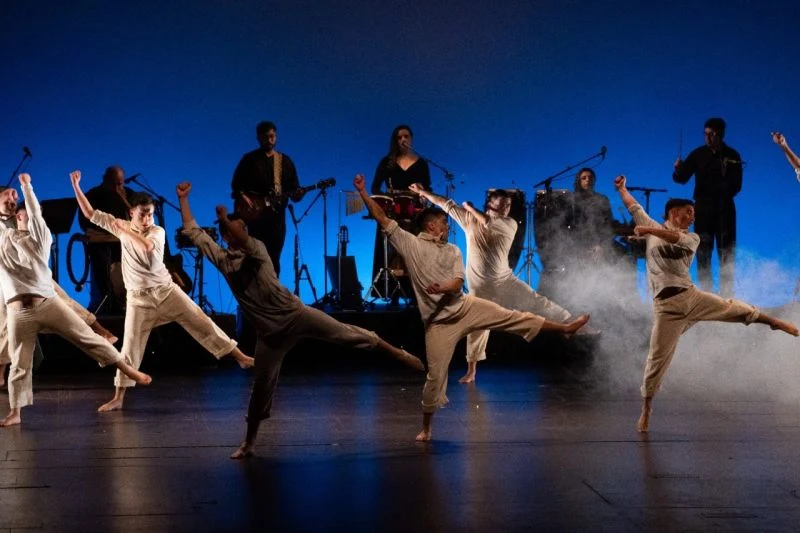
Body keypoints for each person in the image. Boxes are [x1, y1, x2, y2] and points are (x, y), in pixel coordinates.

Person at [176, 181, 424, 459]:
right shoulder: (222, 258)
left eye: (243, 227)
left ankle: (397, 353)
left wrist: (225, 218)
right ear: (226, 236)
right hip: (270, 335)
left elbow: (241, 237)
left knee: (346, 333)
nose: (242, 230)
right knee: (261, 389)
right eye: (237, 229)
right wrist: (184, 199)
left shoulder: (256, 248)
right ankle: (249, 442)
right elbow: (194, 232)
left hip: (295, 315)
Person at [356, 174, 589, 442]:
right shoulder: (419, 243)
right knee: (439, 372)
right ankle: (432, 421)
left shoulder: (492, 231)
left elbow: (462, 272)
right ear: (432, 227)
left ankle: (566, 326)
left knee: (517, 314)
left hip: (484, 293)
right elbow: (416, 212)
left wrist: (444, 285)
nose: (447, 227)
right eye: (443, 224)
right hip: (448, 314)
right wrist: (407, 193)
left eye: (508, 205)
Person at [613, 175, 798, 433]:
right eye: (688, 213)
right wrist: (622, 190)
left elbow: (673, 238)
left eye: (693, 213)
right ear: (673, 213)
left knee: (732, 306)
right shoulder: (652, 227)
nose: (693, 217)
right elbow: (635, 207)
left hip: (691, 297)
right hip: (667, 310)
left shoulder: (692, 238)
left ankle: (773, 322)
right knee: (656, 360)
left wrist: (647, 232)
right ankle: (646, 409)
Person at [71, 170, 254, 413]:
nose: (148, 219)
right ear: (131, 213)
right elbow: (90, 213)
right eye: (143, 214)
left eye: (150, 214)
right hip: (139, 299)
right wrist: (76, 186)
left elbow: (146, 249)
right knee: (130, 348)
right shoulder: (122, 225)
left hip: (167, 293)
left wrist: (123, 230)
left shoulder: (157, 232)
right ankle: (119, 397)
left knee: (201, 321)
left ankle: (239, 356)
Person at [0, 174, 152, 427]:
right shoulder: (2, 235)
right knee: (20, 363)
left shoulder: (40, 237)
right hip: (19, 311)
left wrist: (27, 186)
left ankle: (127, 369)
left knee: (87, 338)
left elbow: (35, 213)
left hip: (47, 303)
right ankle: (15, 412)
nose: (16, 205)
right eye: (10, 196)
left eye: (20, 205)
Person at [409, 184, 575, 384]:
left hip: (504, 281)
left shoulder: (509, 223)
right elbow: (446, 204)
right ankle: (472, 370)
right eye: (503, 203)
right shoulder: (469, 220)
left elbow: (488, 221)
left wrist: (470, 209)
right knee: (476, 329)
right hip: (479, 286)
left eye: (509, 204)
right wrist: (423, 192)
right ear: (490, 203)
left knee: (536, 301)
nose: (507, 207)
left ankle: (569, 322)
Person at [0, 186, 118, 386]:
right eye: (9, 194)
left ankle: (100, 330)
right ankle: (1, 372)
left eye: (15, 195)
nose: (14, 198)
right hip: (7, 281)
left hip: (31, 276)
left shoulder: (18, 218)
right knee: (4, 321)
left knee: (62, 298)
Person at [673, 118, 742, 297]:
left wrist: (721, 190)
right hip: (703, 210)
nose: (708, 138)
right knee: (703, 252)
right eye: (706, 134)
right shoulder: (698, 154)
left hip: (725, 209)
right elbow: (681, 179)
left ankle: (727, 297)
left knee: (726, 251)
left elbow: (737, 185)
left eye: (712, 134)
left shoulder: (732, 155)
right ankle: (706, 296)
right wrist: (677, 170)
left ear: (721, 134)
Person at [231, 121, 305, 276]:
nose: (270, 140)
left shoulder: (285, 161)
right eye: (265, 137)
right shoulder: (249, 159)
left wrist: (298, 195)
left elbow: (294, 191)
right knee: (253, 260)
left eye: (272, 136)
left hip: (277, 220)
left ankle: (272, 296)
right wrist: (244, 197)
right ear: (258, 138)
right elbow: (236, 185)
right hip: (254, 220)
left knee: (273, 261)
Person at [369, 125, 431, 300]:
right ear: (394, 141)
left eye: (406, 136)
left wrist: (423, 195)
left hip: (414, 215)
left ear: (411, 139)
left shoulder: (422, 163)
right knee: (392, 252)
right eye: (398, 137)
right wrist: (387, 197)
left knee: (412, 252)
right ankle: (391, 293)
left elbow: (428, 188)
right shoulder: (386, 162)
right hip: (392, 213)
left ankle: (414, 295)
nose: (403, 140)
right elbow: (374, 187)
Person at [77, 165, 134, 314]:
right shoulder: (92, 195)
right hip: (101, 245)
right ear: (105, 180)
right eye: (114, 183)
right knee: (102, 264)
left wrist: (125, 201)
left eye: (120, 183)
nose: (117, 187)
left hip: (127, 245)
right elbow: (86, 223)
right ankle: (109, 306)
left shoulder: (130, 195)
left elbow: (138, 222)